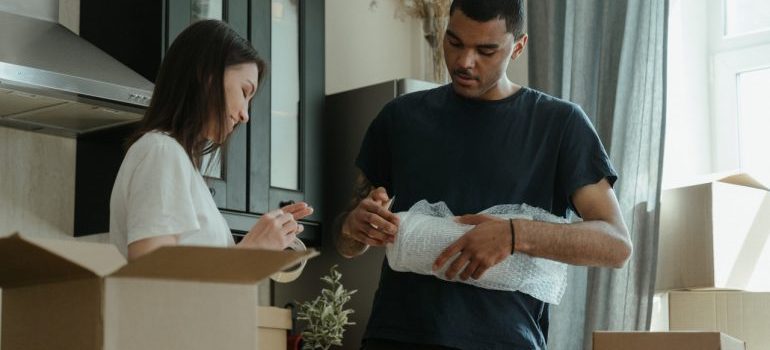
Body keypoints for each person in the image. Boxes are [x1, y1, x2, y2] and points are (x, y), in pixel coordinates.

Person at [335, 0, 632, 349]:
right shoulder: (399, 118)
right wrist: (353, 226)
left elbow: (615, 245)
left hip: (504, 341)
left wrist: (514, 234)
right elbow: (347, 245)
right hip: (394, 338)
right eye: (455, 42)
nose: (464, 62)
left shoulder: (560, 124)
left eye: (486, 50)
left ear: (517, 47)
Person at [110, 19, 312, 260]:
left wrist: (261, 244)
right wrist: (251, 251)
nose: (245, 115)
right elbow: (152, 278)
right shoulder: (161, 151)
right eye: (244, 92)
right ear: (207, 76)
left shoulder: (180, 163)